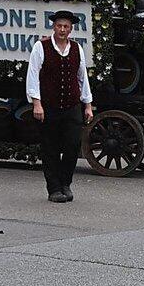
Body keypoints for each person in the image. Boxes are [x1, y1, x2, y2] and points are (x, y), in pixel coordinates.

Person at [26, 10, 93, 203]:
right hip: (49, 105)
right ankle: (54, 188)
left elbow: (82, 77)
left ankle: (66, 183)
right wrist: (37, 103)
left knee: (72, 145)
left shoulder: (76, 49)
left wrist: (88, 105)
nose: (62, 29)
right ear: (53, 27)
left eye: (66, 27)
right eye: (59, 26)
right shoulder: (41, 47)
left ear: (71, 29)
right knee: (50, 148)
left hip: (72, 105)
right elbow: (33, 75)